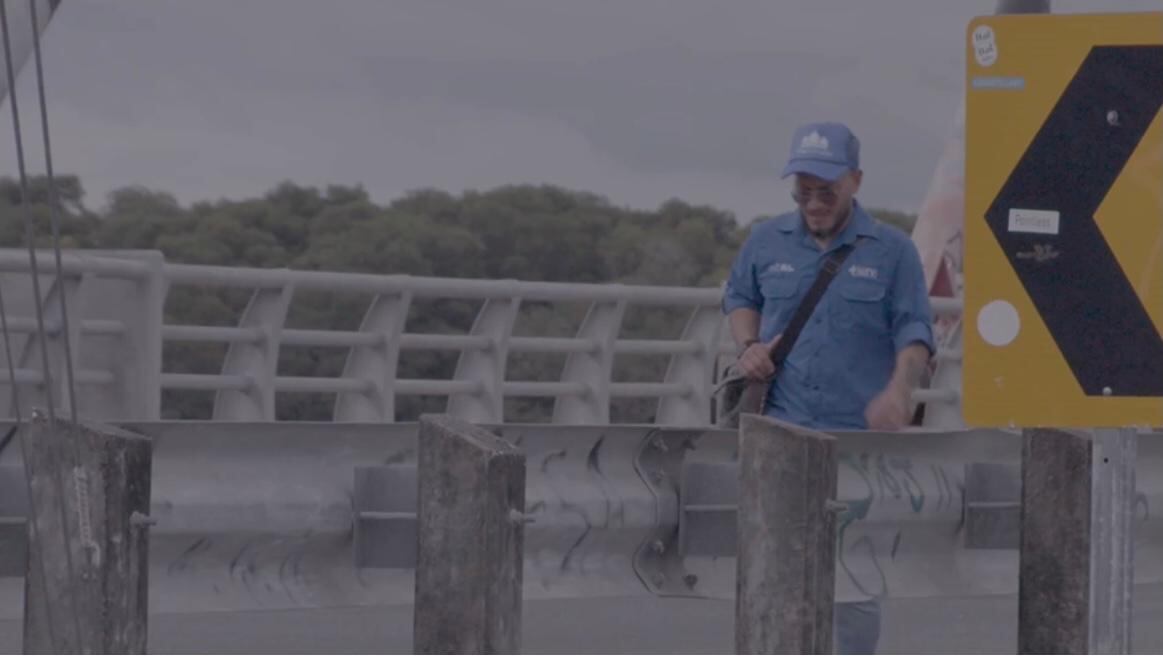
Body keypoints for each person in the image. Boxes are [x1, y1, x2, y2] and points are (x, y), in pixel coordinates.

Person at [721, 121, 935, 654]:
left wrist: (900, 392)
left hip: (856, 445)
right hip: (780, 438)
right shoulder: (766, 240)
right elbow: (739, 296)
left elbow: (916, 333)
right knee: (775, 573)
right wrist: (749, 345)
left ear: (855, 182)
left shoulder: (892, 251)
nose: (813, 203)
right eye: (803, 191)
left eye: (826, 191)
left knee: (853, 587)